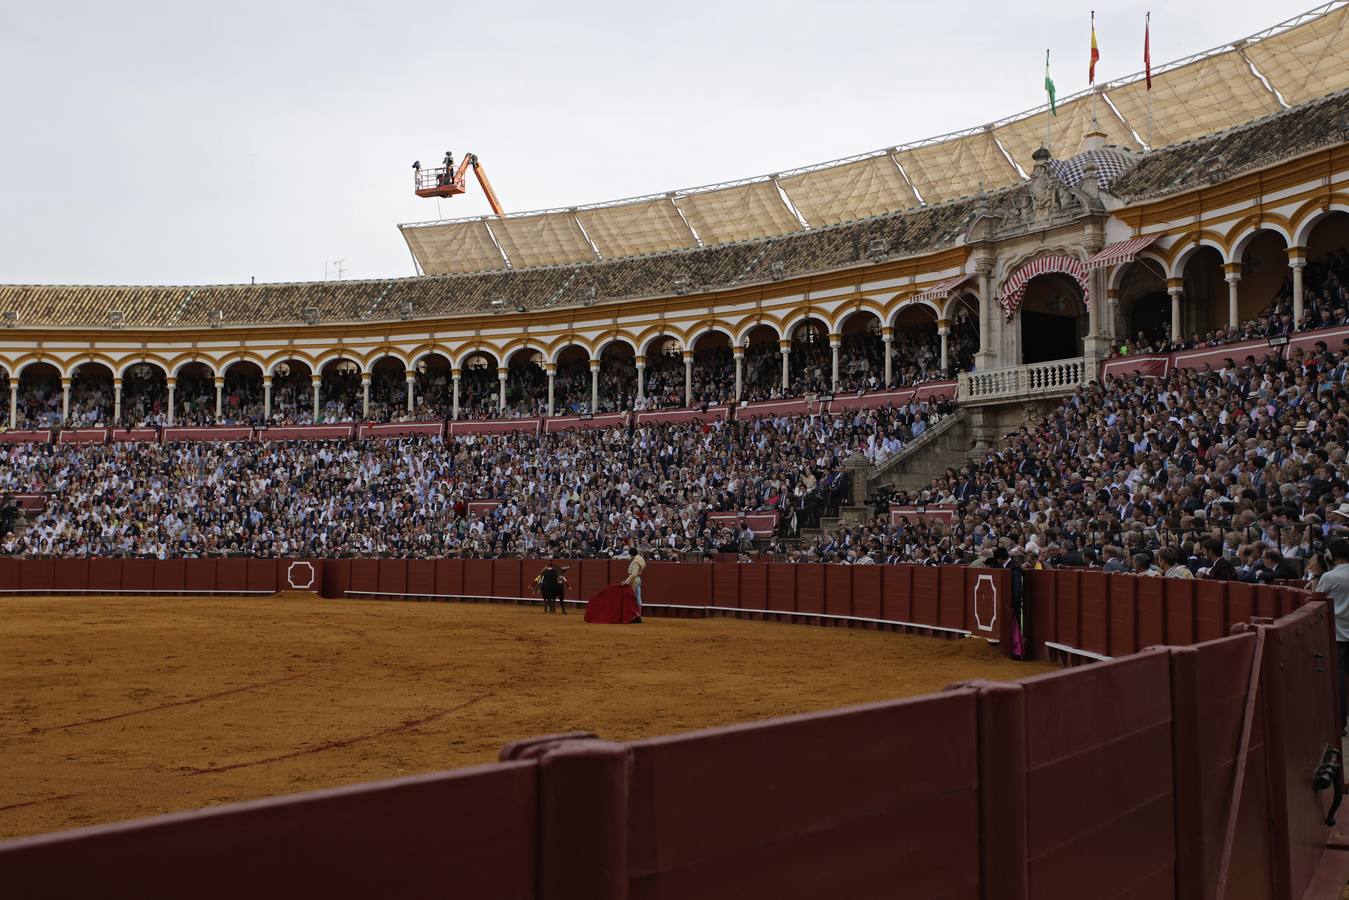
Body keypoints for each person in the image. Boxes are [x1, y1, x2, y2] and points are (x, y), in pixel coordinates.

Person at [1315, 539, 1349, 734]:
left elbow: (1316, 600)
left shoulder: (1329, 577)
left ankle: (1339, 724)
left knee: (1338, 680)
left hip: (1338, 632)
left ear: (1330, 555)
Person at [622, 547, 647, 622]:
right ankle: (638, 615)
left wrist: (626, 581)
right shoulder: (640, 558)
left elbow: (634, 574)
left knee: (631, 598)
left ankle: (635, 615)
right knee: (638, 597)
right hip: (638, 579)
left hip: (634, 580)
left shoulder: (635, 561)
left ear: (632, 554)